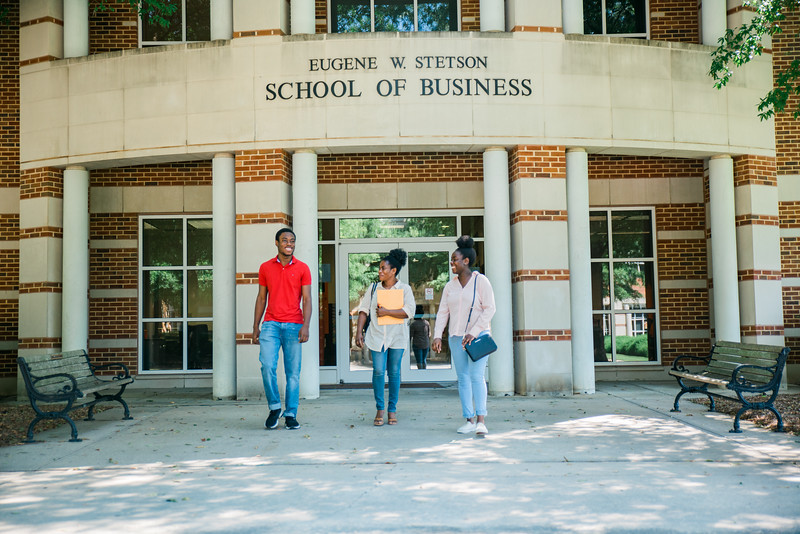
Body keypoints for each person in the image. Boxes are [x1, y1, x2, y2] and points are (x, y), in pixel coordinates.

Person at [432, 235, 496, 435]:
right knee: (462, 378)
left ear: (466, 261)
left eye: (455, 259)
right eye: (452, 260)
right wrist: (436, 335)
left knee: (477, 376)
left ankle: (481, 420)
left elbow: (490, 309)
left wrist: (473, 332)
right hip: (455, 337)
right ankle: (468, 419)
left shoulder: (481, 281)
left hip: (477, 338)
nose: (452, 263)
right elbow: (443, 312)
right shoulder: (450, 286)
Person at [252, 228, 312, 430]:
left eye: (292, 240)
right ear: (276, 243)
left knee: (293, 373)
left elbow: (307, 299)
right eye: (285, 240)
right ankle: (275, 407)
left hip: (294, 325)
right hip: (270, 324)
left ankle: (291, 414)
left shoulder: (303, 268)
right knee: (267, 365)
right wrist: (255, 326)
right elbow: (261, 298)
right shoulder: (265, 267)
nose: (289, 243)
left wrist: (306, 325)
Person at [355, 249, 416, 426]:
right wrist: (358, 332)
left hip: (397, 336)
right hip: (376, 336)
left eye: (383, 268)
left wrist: (387, 312)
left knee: (395, 372)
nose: (380, 271)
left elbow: (409, 312)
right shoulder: (373, 288)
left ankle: (392, 409)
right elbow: (363, 310)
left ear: (393, 271)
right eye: (380, 268)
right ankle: (380, 408)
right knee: (379, 371)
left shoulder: (405, 289)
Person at [409, 305, 431, 369]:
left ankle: (420, 373)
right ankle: (424, 373)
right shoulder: (426, 323)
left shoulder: (413, 324)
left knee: (419, 361)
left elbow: (410, 336)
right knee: (424, 360)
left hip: (417, 345)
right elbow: (429, 334)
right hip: (426, 344)